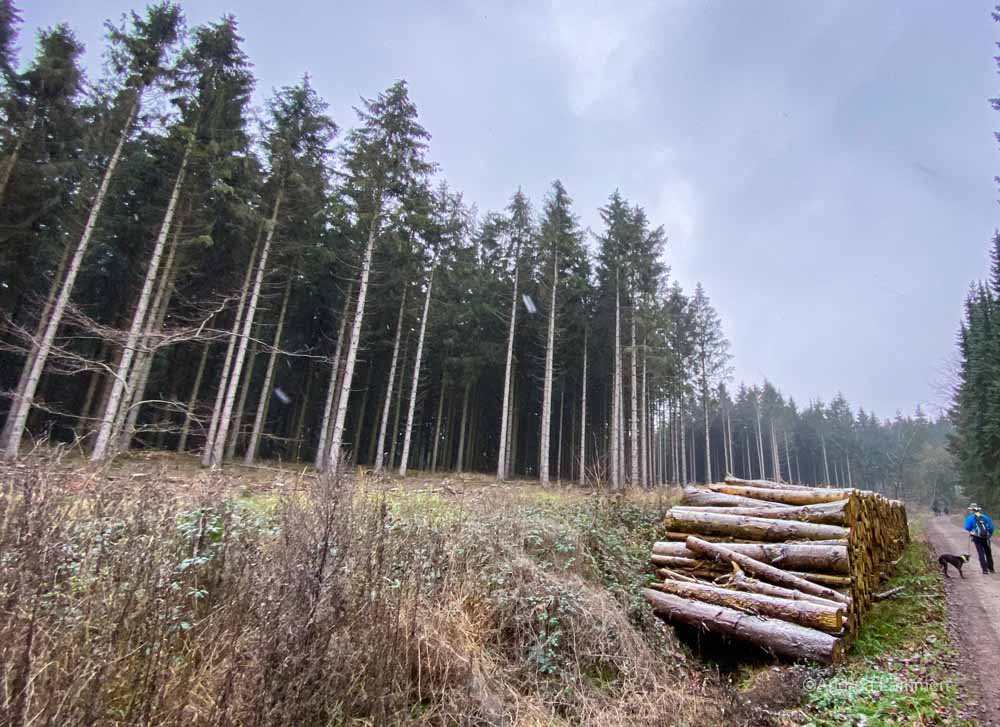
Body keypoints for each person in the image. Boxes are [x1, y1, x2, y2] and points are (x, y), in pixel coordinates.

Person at [964, 503, 995, 575]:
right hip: (986, 537)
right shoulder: (985, 517)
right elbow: (991, 527)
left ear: (972, 510)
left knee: (980, 552)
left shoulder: (970, 518)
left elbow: (967, 527)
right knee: (988, 552)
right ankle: (991, 569)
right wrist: (989, 534)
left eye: (970, 510)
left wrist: (972, 530)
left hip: (977, 537)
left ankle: (984, 570)